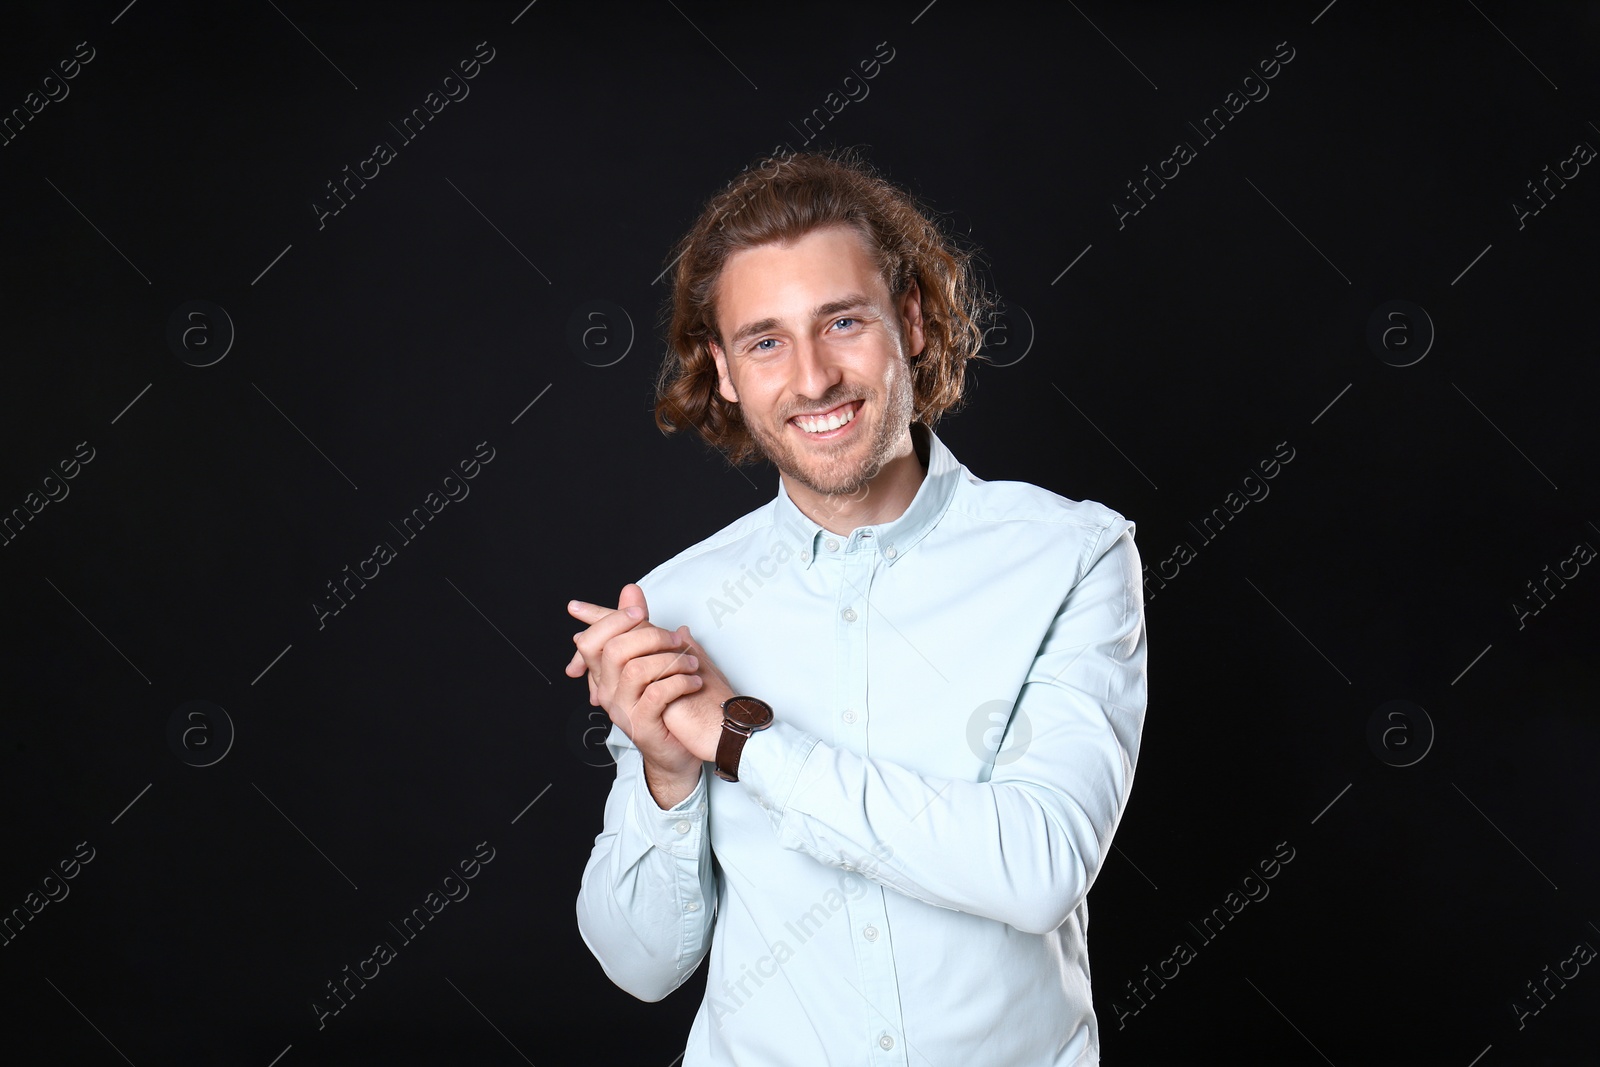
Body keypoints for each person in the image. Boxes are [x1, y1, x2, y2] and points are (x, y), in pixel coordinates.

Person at [567, 148, 1148, 1065]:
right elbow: (640, 966)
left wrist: (745, 741)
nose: (811, 378)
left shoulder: (1072, 556)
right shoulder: (676, 605)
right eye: (765, 341)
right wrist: (667, 777)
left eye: (841, 321)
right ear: (722, 370)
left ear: (910, 319)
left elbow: (1038, 866)